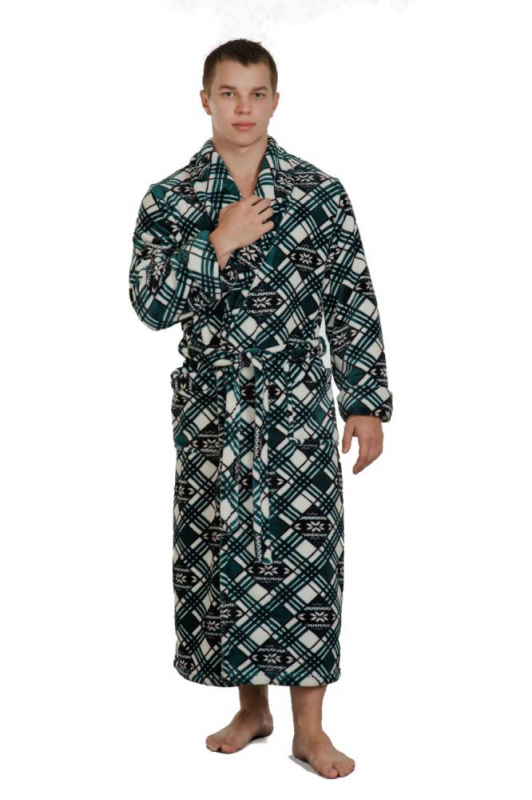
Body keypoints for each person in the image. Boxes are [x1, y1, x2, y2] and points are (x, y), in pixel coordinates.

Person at [129, 38, 393, 780]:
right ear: (205, 99)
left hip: (297, 402)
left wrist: (365, 402)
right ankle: (252, 710)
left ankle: (310, 728)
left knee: (306, 556)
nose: (242, 108)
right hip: (214, 406)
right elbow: (149, 305)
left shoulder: (318, 192)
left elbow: (351, 300)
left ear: (275, 101)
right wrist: (217, 242)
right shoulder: (170, 199)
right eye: (228, 93)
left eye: (256, 93)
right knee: (226, 552)